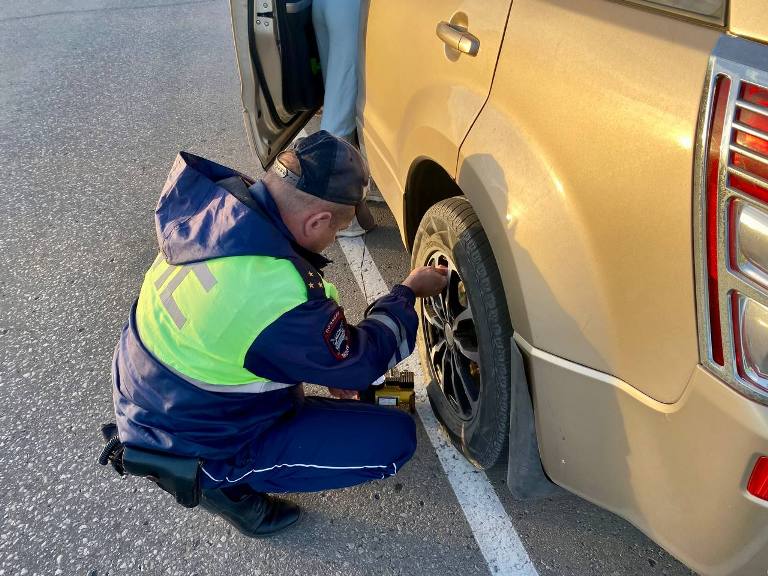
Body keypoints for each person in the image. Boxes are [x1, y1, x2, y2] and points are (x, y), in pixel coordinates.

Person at [111, 131, 448, 537]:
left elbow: (253, 334)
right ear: (318, 220)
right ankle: (223, 486)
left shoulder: (219, 216)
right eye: (337, 232)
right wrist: (407, 291)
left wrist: (327, 367)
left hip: (160, 392)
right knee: (394, 439)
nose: (332, 241)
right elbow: (363, 360)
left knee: (366, 388)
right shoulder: (272, 292)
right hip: (194, 441)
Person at [311, 0, 378, 237]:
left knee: (337, 93)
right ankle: (335, 211)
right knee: (342, 105)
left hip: (325, 5)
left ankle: (363, 182)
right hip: (351, 9)